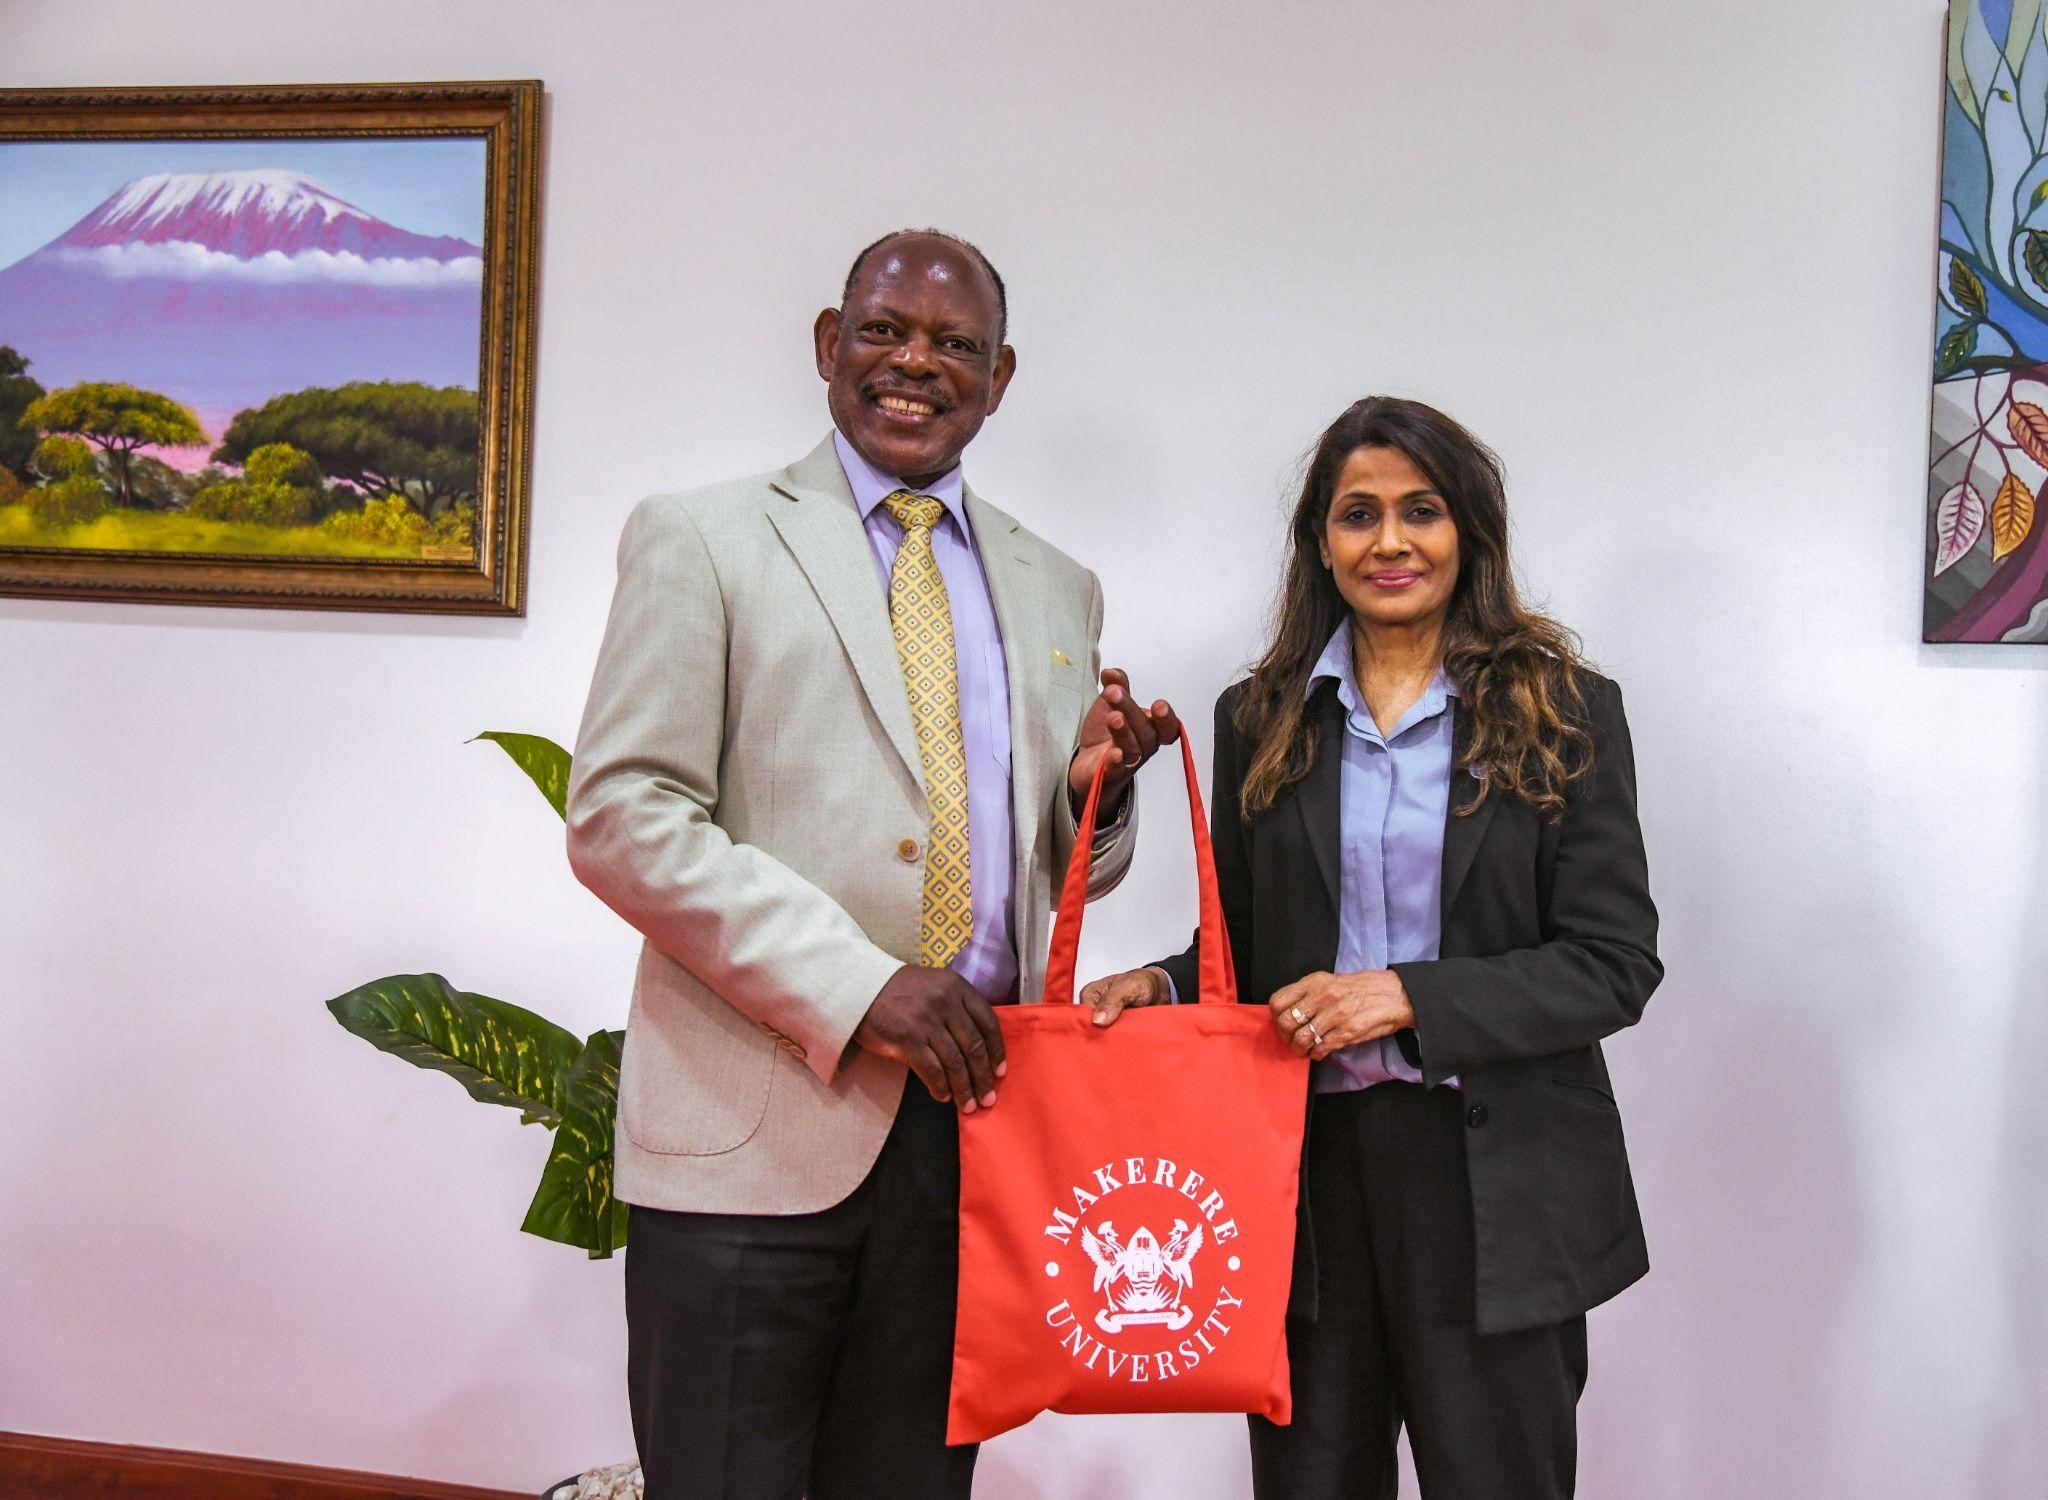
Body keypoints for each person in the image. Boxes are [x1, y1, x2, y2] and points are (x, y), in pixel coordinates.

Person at [565, 229, 1179, 1500]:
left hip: (970, 1137)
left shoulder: (1058, 585)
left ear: (998, 378)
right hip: (753, 1131)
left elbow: (1066, 870)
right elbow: (624, 813)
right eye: (886, 329)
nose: (915, 363)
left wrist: (1094, 804)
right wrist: (858, 985)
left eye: (954, 345)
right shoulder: (704, 537)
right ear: (825, 343)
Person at [1084, 396, 1661, 1499]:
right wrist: (1159, 982)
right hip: (1304, 1187)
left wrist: (1403, 997)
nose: (1388, 542)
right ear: (1320, 541)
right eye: (1357, 514)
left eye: (1420, 512)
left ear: (1468, 533)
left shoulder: (1565, 710)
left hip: (1494, 1182)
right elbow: (1250, 943)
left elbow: (1611, 961)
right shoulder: (1260, 716)